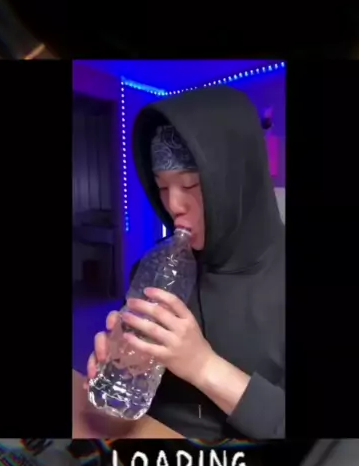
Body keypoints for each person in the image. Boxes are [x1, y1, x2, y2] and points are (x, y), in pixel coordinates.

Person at [87, 85, 285, 440]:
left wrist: (202, 365)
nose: (173, 205)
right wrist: (124, 368)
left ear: (238, 181)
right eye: (162, 187)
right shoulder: (156, 269)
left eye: (191, 185)